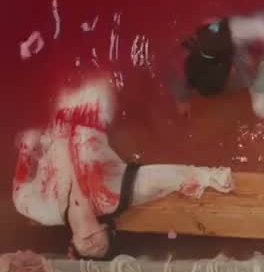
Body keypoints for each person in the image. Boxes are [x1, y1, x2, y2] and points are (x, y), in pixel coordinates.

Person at [13, 79, 234, 259]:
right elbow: (159, 179)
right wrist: (208, 177)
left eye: (89, 252)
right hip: (92, 104)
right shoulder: (112, 196)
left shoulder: (41, 209)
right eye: (102, 247)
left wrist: (27, 147)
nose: (93, 245)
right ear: (106, 230)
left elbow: (20, 188)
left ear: (72, 247)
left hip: (55, 112)